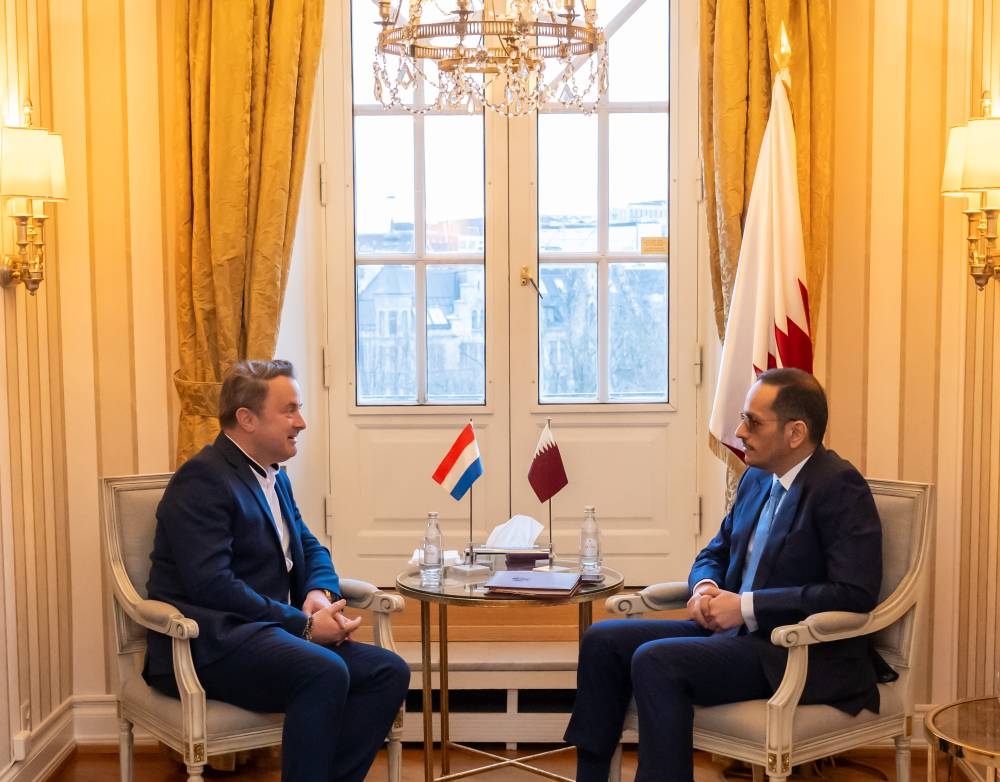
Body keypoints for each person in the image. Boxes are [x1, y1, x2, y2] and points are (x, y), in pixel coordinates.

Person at [565, 368, 883, 782]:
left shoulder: (839, 486)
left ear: (796, 432)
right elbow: (716, 550)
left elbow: (854, 592)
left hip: (791, 651)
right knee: (602, 641)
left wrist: (747, 607)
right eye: (742, 418)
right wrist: (705, 587)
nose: (739, 432)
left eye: (753, 421)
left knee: (656, 660)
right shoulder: (757, 477)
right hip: (733, 636)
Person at [144, 359, 409, 782]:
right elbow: (213, 585)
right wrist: (305, 627)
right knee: (324, 670)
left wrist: (318, 594)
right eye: (289, 410)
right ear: (246, 419)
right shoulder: (202, 480)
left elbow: (310, 546)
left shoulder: (276, 477)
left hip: (272, 634)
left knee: (388, 672)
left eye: (299, 409)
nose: (301, 422)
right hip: (211, 644)